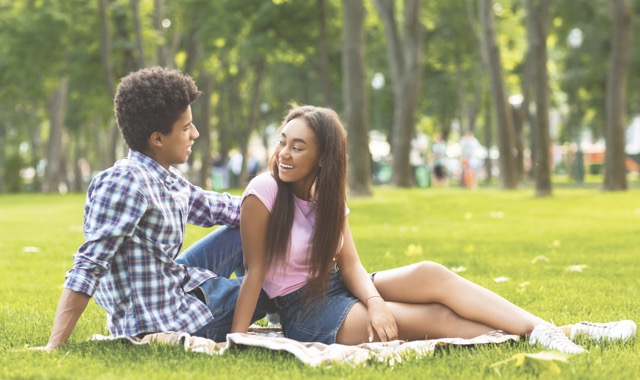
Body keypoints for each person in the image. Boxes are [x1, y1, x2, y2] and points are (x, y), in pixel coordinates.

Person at [230, 104, 636, 354]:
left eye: (297, 146)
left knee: (431, 273)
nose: (284, 153)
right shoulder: (263, 191)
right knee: (436, 318)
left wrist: (373, 300)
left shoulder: (328, 198)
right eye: (283, 141)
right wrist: (237, 338)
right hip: (305, 312)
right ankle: (567, 332)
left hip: (339, 286)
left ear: (322, 158)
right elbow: (256, 273)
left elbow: (350, 265)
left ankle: (547, 331)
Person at [31, 67, 272, 351]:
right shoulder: (125, 183)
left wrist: (294, 208)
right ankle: (294, 311)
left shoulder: (162, 175)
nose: (195, 133)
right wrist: (53, 346)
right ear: (157, 138)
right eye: (185, 128)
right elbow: (89, 267)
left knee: (247, 224)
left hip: (172, 287)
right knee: (281, 281)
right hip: (163, 320)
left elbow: (221, 207)